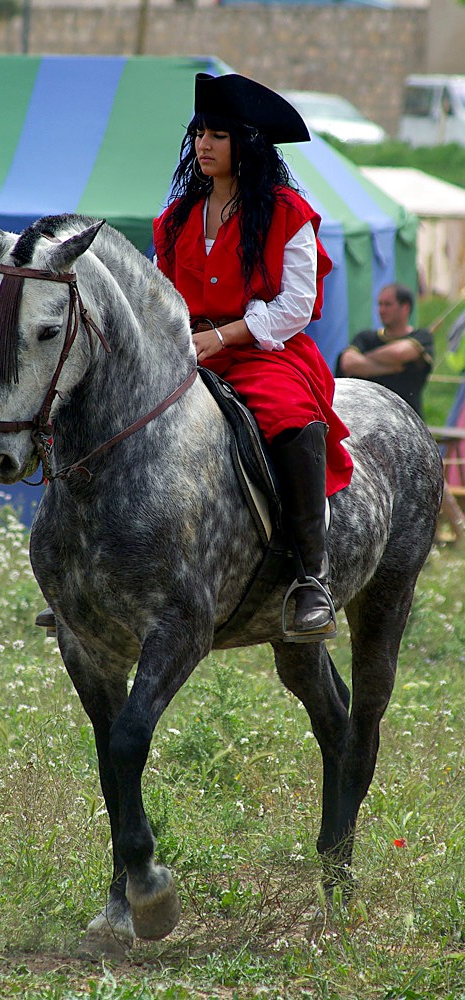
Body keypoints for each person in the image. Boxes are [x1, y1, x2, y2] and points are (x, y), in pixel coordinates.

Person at [152, 72, 354, 642]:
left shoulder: (287, 211)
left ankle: (312, 579)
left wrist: (224, 337)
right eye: (199, 134)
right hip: (188, 350)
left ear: (247, 142)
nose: (205, 145)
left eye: (218, 134)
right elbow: (160, 294)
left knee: (291, 418)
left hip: (267, 352)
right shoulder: (174, 220)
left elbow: (296, 304)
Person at [336, 283, 433, 418]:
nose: (381, 310)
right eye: (379, 304)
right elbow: (348, 363)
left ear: (405, 307)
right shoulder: (365, 338)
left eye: (387, 304)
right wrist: (392, 367)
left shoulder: (422, 336)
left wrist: (365, 360)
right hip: (367, 420)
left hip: (407, 422)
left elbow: (400, 353)